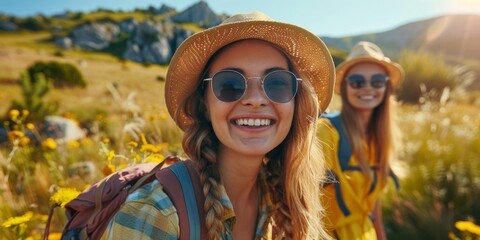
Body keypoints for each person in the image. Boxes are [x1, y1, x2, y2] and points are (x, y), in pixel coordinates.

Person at [106, 11, 335, 239]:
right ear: (204, 103)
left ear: (296, 102)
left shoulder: (279, 200)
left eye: (277, 83)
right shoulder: (155, 213)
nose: (255, 99)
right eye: (230, 84)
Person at [317, 41, 403, 240]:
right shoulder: (326, 133)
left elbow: (373, 206)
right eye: (357, 81)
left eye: (377, 81)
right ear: (345, 87)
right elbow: (302, 203)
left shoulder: (381, 139)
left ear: (386, 87)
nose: (367, 88)